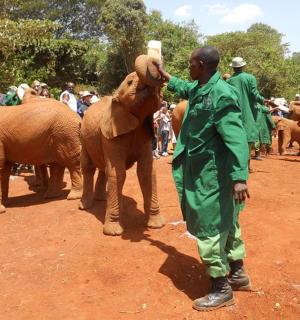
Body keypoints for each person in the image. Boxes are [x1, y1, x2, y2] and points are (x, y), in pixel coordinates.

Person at [155, 46, 250, 311]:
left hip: (213, 174)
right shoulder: (201, 88)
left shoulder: (221, 94)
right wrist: (164, 75)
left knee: (209, 228)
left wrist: (240, 177)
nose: (189, 67)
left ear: (201, 64)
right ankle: (238, 273)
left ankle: (221, 288)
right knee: (228, 221)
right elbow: (184, 87)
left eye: (191, 64)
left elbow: (236, 137)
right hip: (203, 169)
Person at [227, 57, 272, 171]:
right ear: (243, 66)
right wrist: (263, 100)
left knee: (234, 139)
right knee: (248, 139)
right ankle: (246, 166)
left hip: (233, 113)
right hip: (248, 114)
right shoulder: (250, 78)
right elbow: (254, 94)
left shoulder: (229, 81)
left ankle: (234, 166)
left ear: (233, 67)